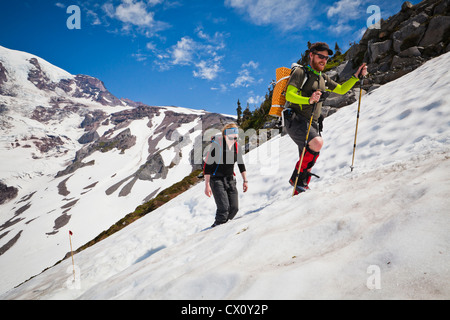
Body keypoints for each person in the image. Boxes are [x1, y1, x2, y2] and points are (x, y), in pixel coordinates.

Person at [284, 42, 368, 195]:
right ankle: (295, 179)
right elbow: (289, 94)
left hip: (313, 122)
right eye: (320, 56)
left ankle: (300, 191)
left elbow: (342, 90)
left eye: (326, 58)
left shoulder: (323, 78)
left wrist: (356, 76)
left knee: (308, 158)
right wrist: (308, 100)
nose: (324, 60)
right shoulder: (301, 73)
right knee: (317, 143)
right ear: (311, 55)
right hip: (296, 119)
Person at [204, 123, 248, 227]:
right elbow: (207, 167)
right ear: (224, 136)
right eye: (230, 138)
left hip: (230, 179)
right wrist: (207, 185)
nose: (233, 141)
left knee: (234, 209)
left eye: (235, 138)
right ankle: (216, 229)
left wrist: (245, 180)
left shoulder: (237, 147)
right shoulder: (216, 147)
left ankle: (223, 228)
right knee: (223, 209)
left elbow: (241, 164)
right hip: (216, 180)